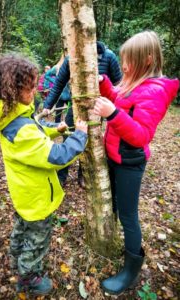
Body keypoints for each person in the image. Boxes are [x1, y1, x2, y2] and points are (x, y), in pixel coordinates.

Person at [0, 53, 88, 296]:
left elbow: (36, 130)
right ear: (14, 90)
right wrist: (79, 136)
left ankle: (15, 259)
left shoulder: (9, 116)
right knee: (38, 239)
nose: (35, 91)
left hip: (24, 196)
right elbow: (58, 156)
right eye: (30, 88)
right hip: (37, 198)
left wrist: (55, 128)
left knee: (22, 229)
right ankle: (28, 277)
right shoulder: (20, 128)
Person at [93, 31, 179, 295]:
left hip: (129, 162)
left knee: (129, 216)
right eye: (124, 59)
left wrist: (112, 114)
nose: (125, 65)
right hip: (116, 156)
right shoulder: (135, 83)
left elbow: (141, 134)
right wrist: (103, 83)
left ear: (148, 59)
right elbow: (120, 100)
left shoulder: (154, 91)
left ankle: (131, 268)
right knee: (117, 206)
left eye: (129, 60)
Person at [43, 41, 122, 186]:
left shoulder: (109, 57)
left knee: (89, 141)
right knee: (67, 136)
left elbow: (118, 85)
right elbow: (59, 84)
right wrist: (47, 106)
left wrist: (116, 108)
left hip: (98, 109)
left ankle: (83, 174)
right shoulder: (71, 58)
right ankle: (61, 176)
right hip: (75, 108)